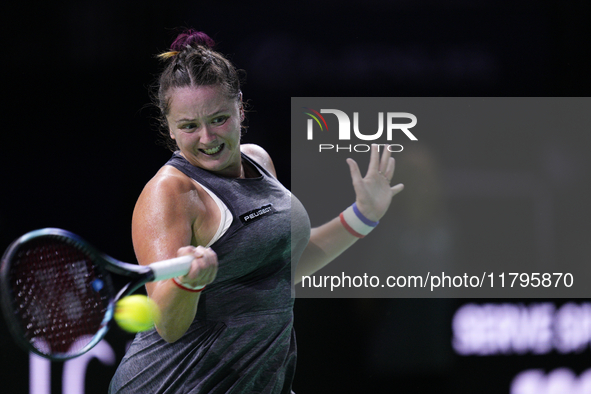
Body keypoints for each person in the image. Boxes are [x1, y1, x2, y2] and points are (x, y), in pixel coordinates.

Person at [108, 29, 404, 394]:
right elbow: (169, 325)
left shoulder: (259, 160)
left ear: (241, 108)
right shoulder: (170, 193)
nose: (207, 138)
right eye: (188, 126)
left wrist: (364, 214)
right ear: (169, 128)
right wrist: (188, 283)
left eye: (219, 119)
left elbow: (283, 266)